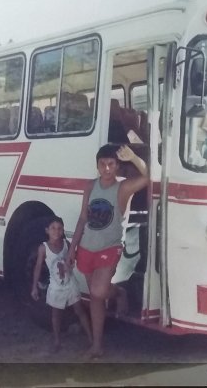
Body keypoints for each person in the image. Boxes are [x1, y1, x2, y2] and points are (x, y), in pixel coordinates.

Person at [68, 144, 148, 359]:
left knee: (97, 292)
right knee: (95, 296)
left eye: (111, 164)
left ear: (117, 166)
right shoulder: (90, 186)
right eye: (102, 164)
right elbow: (83, 218)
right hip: (86, 247)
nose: (106, 168)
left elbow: (149, 176)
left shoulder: (123, 187)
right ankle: (97, 345)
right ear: (97, 165)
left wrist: (134, 158)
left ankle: (118, 293)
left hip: (110, 248)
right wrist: (72, 247)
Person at [31, 215, 92, 353]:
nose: (56, 231)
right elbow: (38, 267)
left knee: (80, 310)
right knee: (56, 314)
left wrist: (73, 261)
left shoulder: (66, 244)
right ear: (47, 230)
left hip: (70, 284)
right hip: (56, 287)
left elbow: (73, 257)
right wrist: (34, 286)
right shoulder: (43, 247)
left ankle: (91, 339)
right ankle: (57, 341)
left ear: (63, 230)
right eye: (53, 228)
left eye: (59, 228)